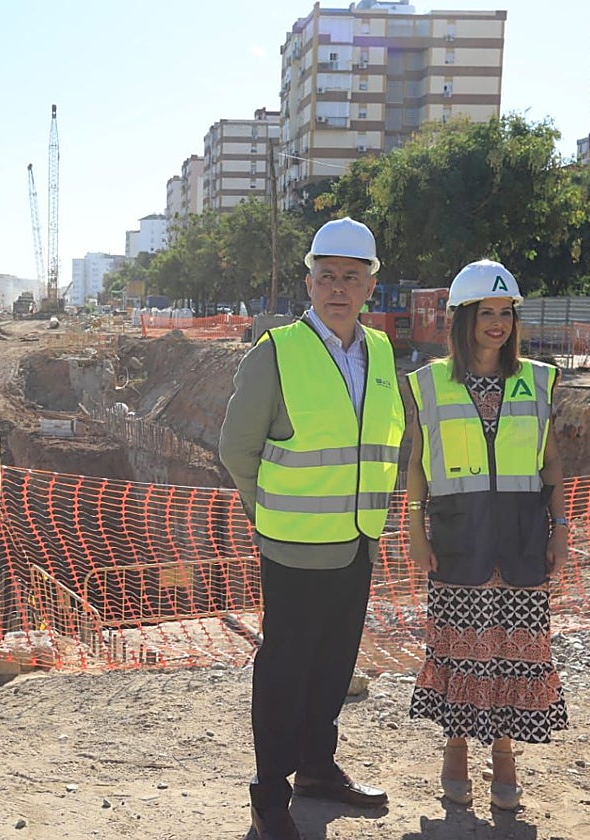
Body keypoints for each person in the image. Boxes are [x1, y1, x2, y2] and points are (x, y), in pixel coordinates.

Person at [218, 217, 405, 840]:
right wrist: (266, 511)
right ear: (309, 281)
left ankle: (318, 771)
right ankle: (269, 791)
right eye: (327, 276)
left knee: (333, 664)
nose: (338, 288)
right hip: (294, 547)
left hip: (357, 540)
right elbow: (237, 449)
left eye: (351, 277)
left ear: (370, 286)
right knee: (284, 670)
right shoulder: (276, 352)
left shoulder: (380, 352)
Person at [405, 259, 569, 811]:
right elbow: (418, 465)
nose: (496, 323)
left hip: (522, 536)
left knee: (511, 653)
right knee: (458, 648)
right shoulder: (429, 384)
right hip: (458, 536)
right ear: (463, 318)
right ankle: (454, 749)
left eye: (505, 313)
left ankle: (503, 754)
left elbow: (550, 463)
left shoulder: (539, 379)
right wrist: (414, 531)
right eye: (485, 313)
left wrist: (561, 527)